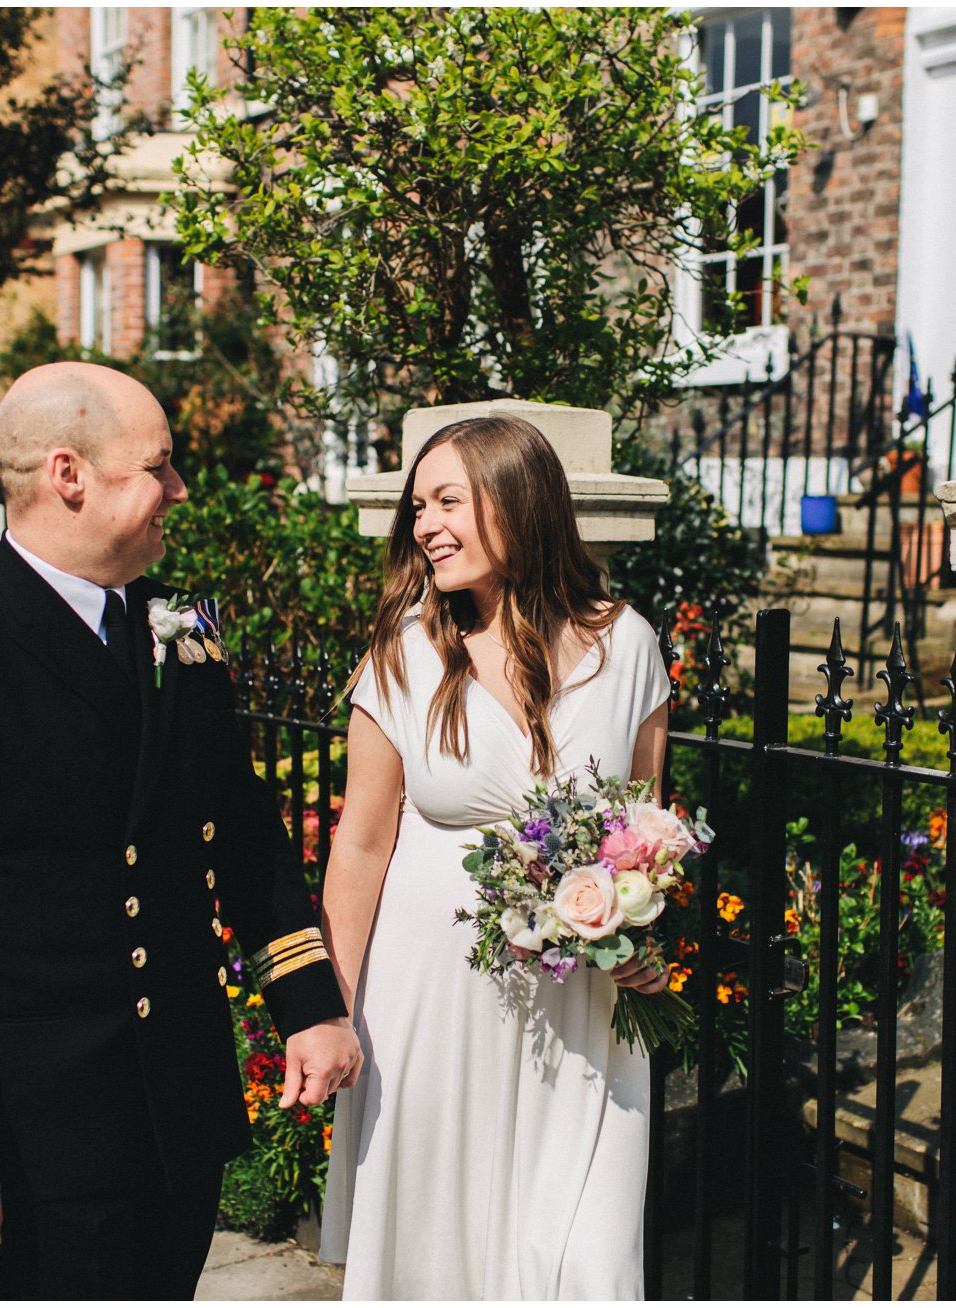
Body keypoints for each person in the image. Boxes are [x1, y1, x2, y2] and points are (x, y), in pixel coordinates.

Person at [0, 362, 363, 1300]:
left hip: (178, 1112)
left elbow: (242, 837)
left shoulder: (180, 633)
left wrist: (308, 1003)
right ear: (70, 474)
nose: (180, 488)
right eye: (158, 466)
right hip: (36, 1134)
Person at [316, 415, 674, 1298]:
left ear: (519, 499)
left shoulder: (627, 646)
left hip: (581, 1007)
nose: (425, 525)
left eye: (447, 500)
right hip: (428, 1003)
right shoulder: (403, 654)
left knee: (585, 1259)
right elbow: (359, 848)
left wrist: (647, 939)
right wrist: (333, 1011)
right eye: (417, 508)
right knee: (440, 1252)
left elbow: (646, 828)